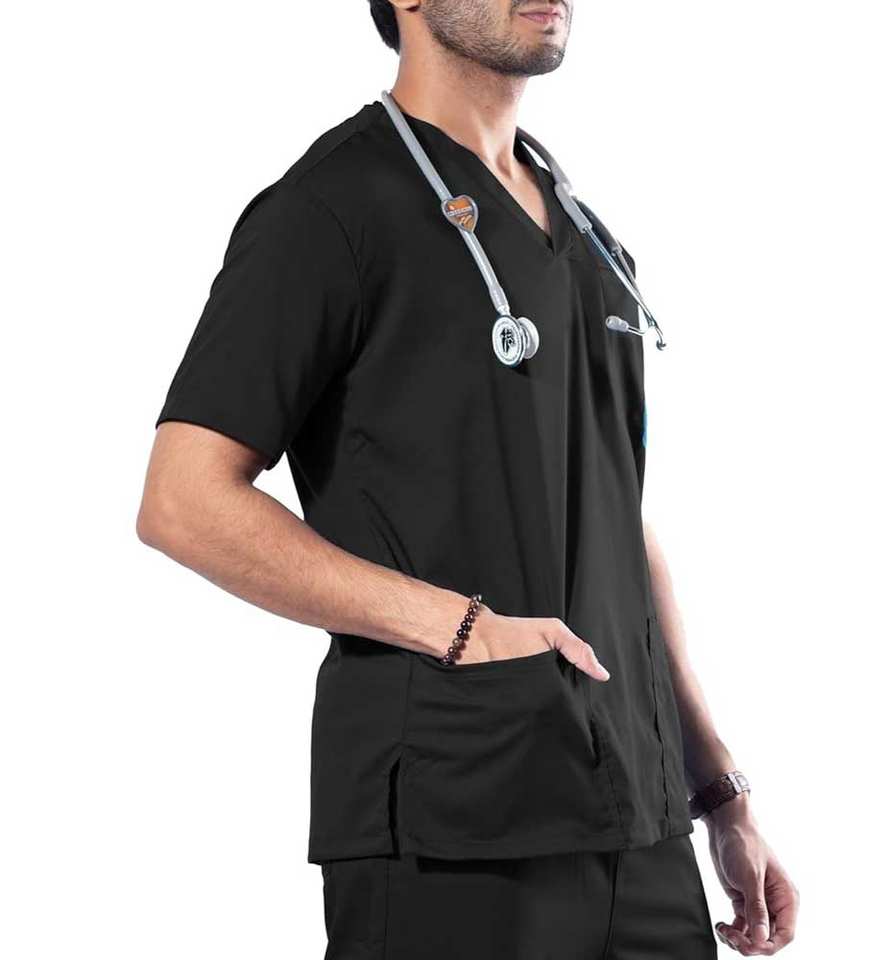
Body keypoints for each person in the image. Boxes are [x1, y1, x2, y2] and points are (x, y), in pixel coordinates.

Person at [136, 1, 799, 956]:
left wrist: (717, 785)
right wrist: (458, 628)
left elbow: (617, 514)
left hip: (642, 828)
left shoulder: (589, 237)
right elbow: (183, 498)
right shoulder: (331, 210)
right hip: (456, 818)